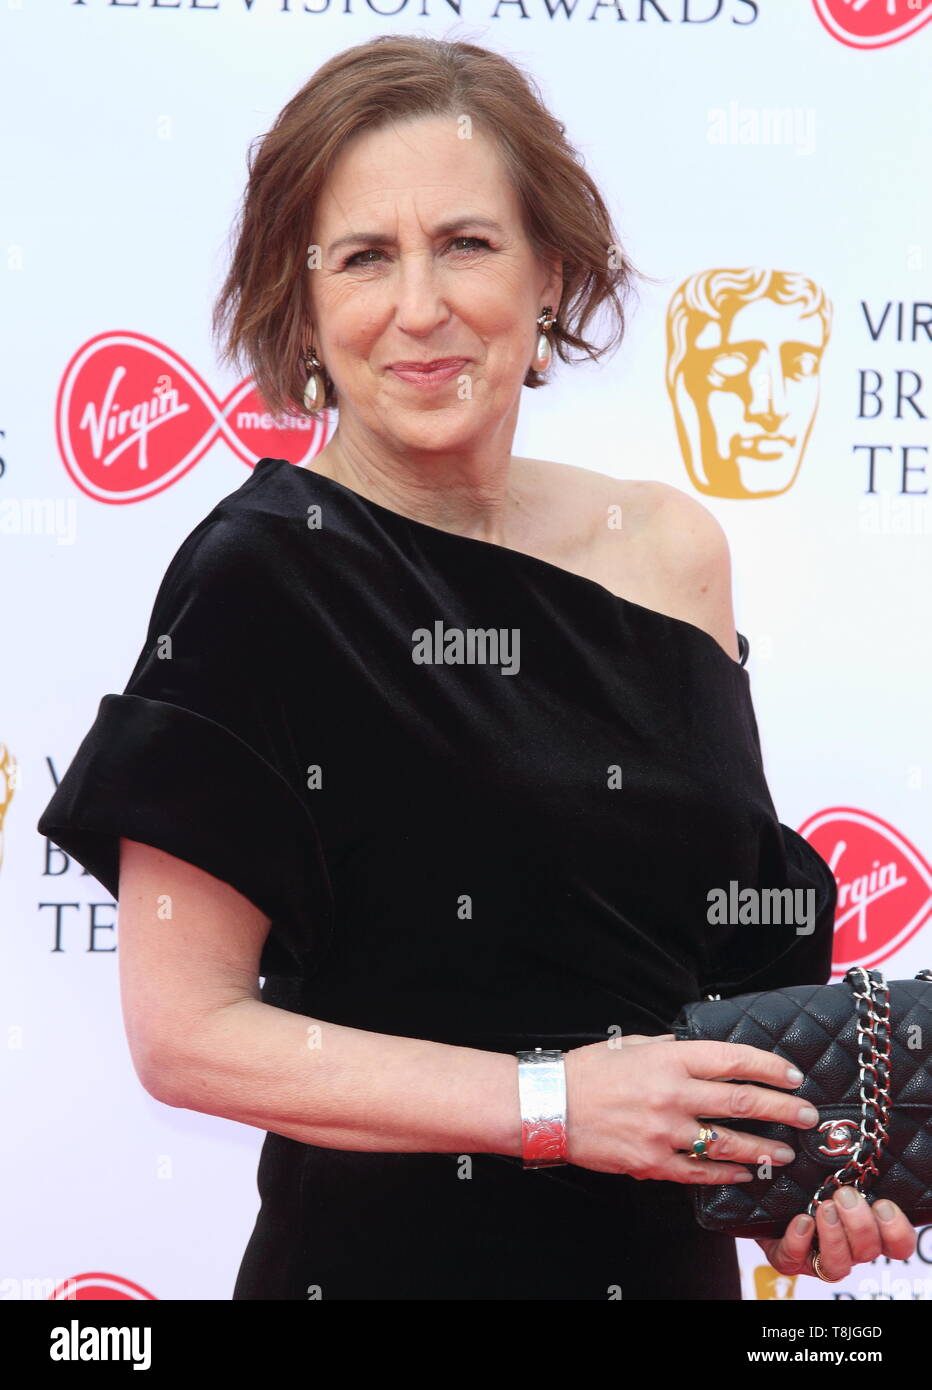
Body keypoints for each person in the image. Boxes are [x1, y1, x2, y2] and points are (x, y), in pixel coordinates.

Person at [37, 35, 916, 1300]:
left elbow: (730, 959)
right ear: (306, 304)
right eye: (362, 258)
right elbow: (188, 1039)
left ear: (551, 268)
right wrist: (549, 1103)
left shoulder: (673, 549)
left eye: (464, 243)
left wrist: (792, 1181)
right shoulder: (259, 577)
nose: (417, 307)